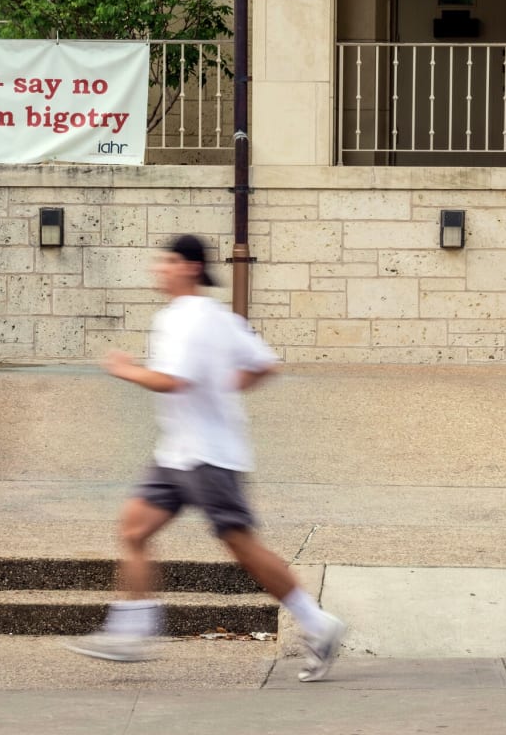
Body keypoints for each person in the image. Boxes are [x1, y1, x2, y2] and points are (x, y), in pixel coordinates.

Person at [65, 234, 346, 683]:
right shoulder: (220, 317)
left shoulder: (185, 319)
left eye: (169, 262)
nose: (160, 269)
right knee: (134, 528)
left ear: (191, 267)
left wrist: (125, 369)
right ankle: (130, 630)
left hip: (207, 457)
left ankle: (318, 623)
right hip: (177, 453)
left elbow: (171, 381)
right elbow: (264, 363)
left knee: (241, 545)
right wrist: (224, 385)